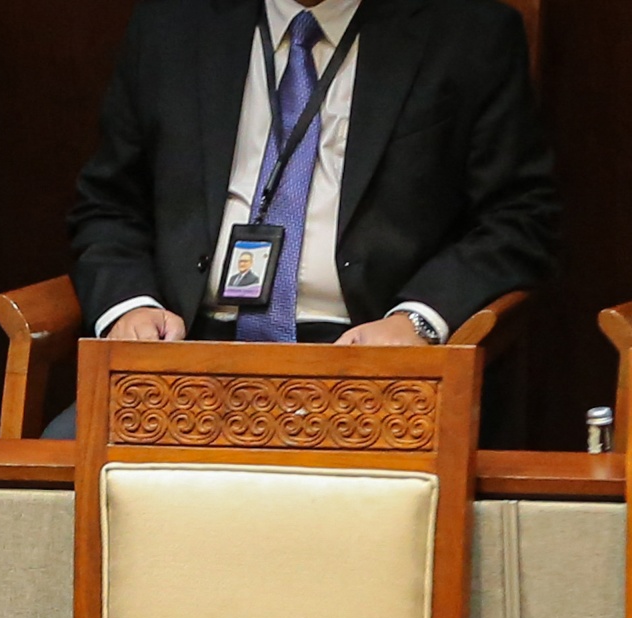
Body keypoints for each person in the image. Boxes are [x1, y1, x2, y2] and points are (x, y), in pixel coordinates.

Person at [47, 0, 559, 434]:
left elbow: (518, 217)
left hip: (367, 360)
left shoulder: (466, 33)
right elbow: (109, 204)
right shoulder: (174, 25)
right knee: (54, 468)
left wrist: (417, 321)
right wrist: (131, 307)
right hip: (184, 354)